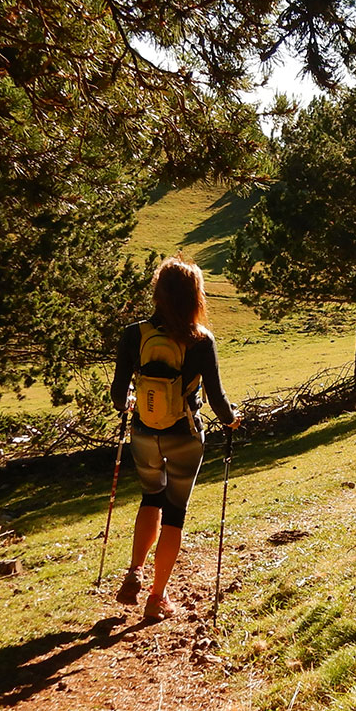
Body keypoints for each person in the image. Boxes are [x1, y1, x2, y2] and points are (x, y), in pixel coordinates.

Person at [108, 257, 238, 621]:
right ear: (195, 296)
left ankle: (134, 570)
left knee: (150, 498)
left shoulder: (134, 334)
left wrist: (133, 401)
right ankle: (157, 598)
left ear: (158, 293)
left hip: (144, 433)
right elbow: (216, 398)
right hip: (185, 437)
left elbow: (119, 395)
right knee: (175, 514)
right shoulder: (201, 340)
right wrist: (231, 421)